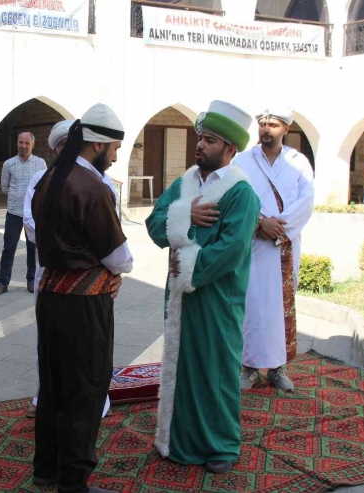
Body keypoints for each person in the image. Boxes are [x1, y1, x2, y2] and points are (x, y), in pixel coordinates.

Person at [145, 100, 260, 473]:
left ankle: (222, 445)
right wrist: (184, 213)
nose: (200, 145)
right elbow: (154, 222)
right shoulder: (184, 183)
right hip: (181, 294)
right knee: (183, 368)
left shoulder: (241, 192)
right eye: (200, 138)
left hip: (217, 297)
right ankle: (178, 439)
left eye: (210, 140)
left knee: (216, 369)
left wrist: (189, 269)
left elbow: (233, 248)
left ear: (230, 149)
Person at [31, 104, 133, 493]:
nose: (115, 157)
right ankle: (73, 482)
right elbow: (118, 257)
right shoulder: (91, 187)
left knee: (54, 385)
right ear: (99, 145)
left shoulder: (49, 177)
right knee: (85, 390)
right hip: (84, 306)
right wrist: (115, 271)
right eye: (114, 149)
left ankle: (46, 470)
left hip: (51, 298)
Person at [23, 120, 117, 419]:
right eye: (64, 147)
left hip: (93, 276)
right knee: (51, 340)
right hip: (52, 271)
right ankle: (45, 398)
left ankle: (95, 403)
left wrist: (112, 270)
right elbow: (30, 222)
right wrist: (66, 246)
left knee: (91, 346)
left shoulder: (101, 182)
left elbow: (110, 233)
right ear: (56, 149)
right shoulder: (42, 178)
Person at [234, 107, 315, 392]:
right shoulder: (243, 160)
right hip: (253, 244)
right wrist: (258, 223)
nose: (266, 129)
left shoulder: (299, 162)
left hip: (284, 246)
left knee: (281, 305)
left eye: (273, 125)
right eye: (263, 123)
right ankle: (251, 368)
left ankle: (278, 369)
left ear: (286, 129)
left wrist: (277, 228)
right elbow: (234, 197)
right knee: (253, 305)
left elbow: (306, 202)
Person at [0, 133, 46, 295]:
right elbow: (5, 187)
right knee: (8, 248)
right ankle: (3, 283)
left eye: (26, 143)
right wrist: (18, 196)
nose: (23, 145)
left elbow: (43, 186)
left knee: (32, 247)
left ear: (33, 145)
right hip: (14, 212)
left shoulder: (40, 163)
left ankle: (31, 280)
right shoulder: (8, 164)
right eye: (20, 142)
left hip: (33, 213)